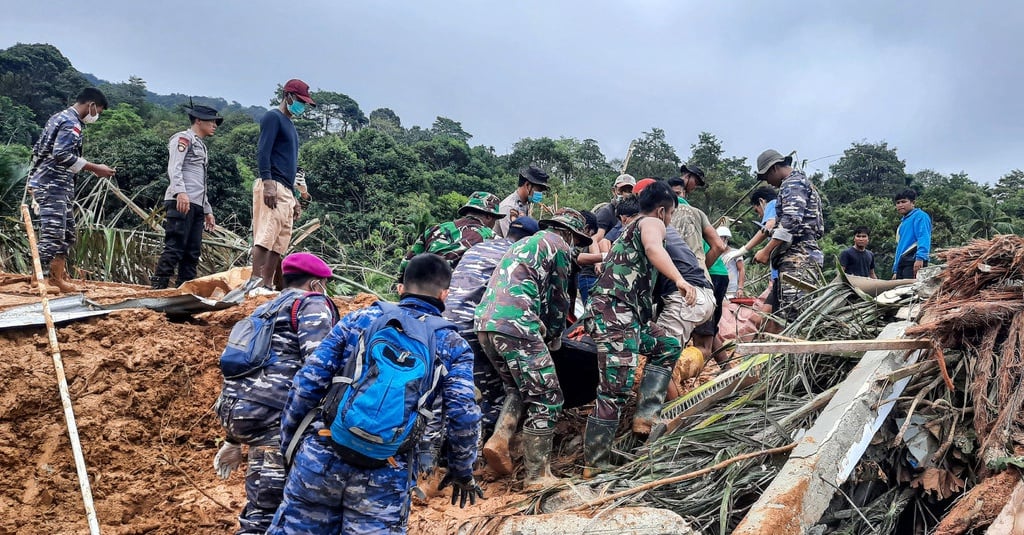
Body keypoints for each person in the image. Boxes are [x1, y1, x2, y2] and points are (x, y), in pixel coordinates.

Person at [269, 254, 482, 534]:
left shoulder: (361, 318)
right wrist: (462, 471)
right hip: (387, 471)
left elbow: (308, 381)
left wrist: (290, 444)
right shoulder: (453, 344)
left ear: (401, 288)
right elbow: (463, 415)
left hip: (322, 454)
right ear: (445, 294)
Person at [213, 253, 338, 534]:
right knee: (268, 512)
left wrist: (233, 438)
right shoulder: (313, 303)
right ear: (317, 284)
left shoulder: (266, 308)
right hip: (274, 421)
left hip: (238, 414)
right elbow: (319, 366)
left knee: (262, 506)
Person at [581, 180, 698, 478]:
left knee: (667, 346)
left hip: (627, 316)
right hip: (614, 315)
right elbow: (654, 248)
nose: (670, 220)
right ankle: (595, 464)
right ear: (662, 210)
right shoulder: (650, 222)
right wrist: (681, 281)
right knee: (615, 389)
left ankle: (645, 417)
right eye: (670, 214)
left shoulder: (629, 228)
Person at [475, 209, 591, 486]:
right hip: (518, 325)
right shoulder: (559, 246)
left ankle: (500, 440)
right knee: (547, 397)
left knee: (517, 387)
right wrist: (554, 339)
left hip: (486, 323)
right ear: (570, 234)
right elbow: (559, 300)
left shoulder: (522, 244)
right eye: (576, 240)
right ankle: (537, 475)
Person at [442, 217, 539, 440]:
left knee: (453, 385)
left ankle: (442, 446)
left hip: (445, 321)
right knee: (493, 393)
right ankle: (479, 449)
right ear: (530, 240)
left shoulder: (480, 247)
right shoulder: (518, 256)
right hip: (473, 326)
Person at [27, 87, 116, 293]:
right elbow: (61, 154)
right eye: (98, 112)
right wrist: (96, 168)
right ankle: (37, 280)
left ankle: (57, 278)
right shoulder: (71, 123)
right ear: (91, 105)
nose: (96, 116)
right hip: (51, 185)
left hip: (58, 184)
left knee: (67, 235)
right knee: (53, 234)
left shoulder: (59, 118)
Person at [250, 79, 316, 294]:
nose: (302, 107)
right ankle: (255, 281)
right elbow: (263, 151)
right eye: (300, 101)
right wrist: (267, 182)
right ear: (288, 96)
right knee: (266, 235)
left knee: (280, 241)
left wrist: (295, 197)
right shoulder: (273, 117)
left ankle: (267, 285)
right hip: (273, 184)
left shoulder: (290, 125)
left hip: (286, 189)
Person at [150, 104, 222, 289]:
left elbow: (201, 182)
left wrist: (208, 210)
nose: (214, 125)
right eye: (211, 121)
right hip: (181, 201)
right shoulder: (183, 139)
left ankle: (185, 290)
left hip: (196, 204)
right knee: (175, 246)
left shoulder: (202, 146)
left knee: (192, 251)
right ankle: (159, 287)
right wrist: (180, 192)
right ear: (198, 120)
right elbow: (174, 167)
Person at [751, 150, 824, 322]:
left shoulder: (793, 184)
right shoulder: (797, 182)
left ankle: (796, 349)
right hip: (799, 254)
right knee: (789, 312)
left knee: (794, 315)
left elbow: (791, 222)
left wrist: (766, 251)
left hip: (799, 256)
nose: (767, 182)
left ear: (774, 168)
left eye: (766, 176)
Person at [397, 191, 505, 281]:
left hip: (424, 287)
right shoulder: (494, 240)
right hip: (458, 296)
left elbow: (406, 264)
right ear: (489, 216)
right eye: (495, 220)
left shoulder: (436, 229)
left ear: (467, 211)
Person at [495, 166, 549, 237]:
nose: (540, 194)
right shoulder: (509, 207)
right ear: (527, 185)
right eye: (539, 190)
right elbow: (511, 240)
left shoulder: (525, 204)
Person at [893, 189, 931, 279]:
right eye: (898, 203)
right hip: (902, 262)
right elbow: (900, 247)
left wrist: (920, 258)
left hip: (913, 261)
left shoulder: (920, 216)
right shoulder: (903, 222)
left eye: (903, 201)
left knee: (911, 290)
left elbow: (923, 237)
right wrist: (895, 270)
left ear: (913, 203)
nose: (900, 205)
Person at [591, 174, 636, 244]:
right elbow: (596, 238)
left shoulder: (635, 213)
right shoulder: (606, 212)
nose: (625, 194)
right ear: (614, 191)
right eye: (622, 190)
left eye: (629, 191)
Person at [719, 226, 747, 297]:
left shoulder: (736, 253)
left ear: (726, 238)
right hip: (719, 288)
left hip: (732, 290)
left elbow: (741, 270)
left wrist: (740, 288)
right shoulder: (715, 254)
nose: (720, 240)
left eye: (721, 237)